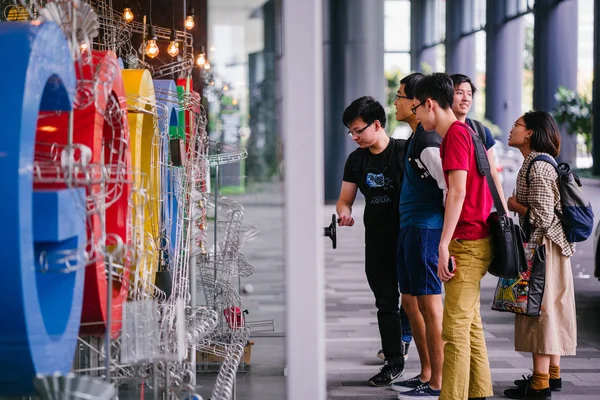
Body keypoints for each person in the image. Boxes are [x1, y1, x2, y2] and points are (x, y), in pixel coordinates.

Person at [413, 72, 494, 400]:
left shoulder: (456, 137)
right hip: (476, 238)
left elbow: (457, 192)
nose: (416, 115)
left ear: (430, 104)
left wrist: (443, 244)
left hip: (468, 241)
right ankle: (478, 392)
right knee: (470, 326)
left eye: (417, 107)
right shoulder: (463, 132)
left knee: (454, 332)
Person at [503, 111, 576, 400]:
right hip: (548, 249)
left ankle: (540, 385)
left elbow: (544, 218)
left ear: (531, 132)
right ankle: (550, 375)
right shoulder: (534, 163)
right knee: (551, 310)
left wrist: (513, 204)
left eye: (517, 125)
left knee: (541, 313)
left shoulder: (540, 167)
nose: (512, 129)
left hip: (545, 249)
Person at [336, 96, 406, 386]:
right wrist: (344, 214)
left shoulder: (405, 152)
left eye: (358, 130)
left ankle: (408, 338)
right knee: (386, 302)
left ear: (377, 125)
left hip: (410, 237)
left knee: (415, 301)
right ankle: (394, 361)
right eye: (350, 132)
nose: (354, 137)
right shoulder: (356, 160)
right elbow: (344, 200)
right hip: (377, 240)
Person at [389, 72, 445, 399]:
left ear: (416, 102)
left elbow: (450, 188)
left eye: (399, 96)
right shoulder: (415, 137)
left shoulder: (428, 139)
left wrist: (445, 238)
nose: (395, 102)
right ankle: (426, 373)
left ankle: (437, 381)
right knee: (410, 302)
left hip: (425, 229)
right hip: (411, 227)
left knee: (429, 305)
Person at [450, 73, 508, 213]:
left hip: (478, 212)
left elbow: (492, 174)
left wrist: (504, 211)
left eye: (469, 94)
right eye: (459, 93)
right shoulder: (438, 132)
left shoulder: (480, 131)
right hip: (447, 211)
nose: (466, 99)